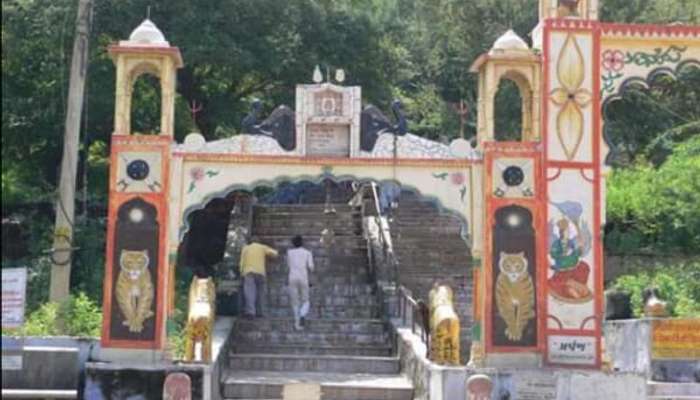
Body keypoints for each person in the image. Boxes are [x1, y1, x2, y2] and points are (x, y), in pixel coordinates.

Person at [239, 235, 278, 319]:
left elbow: (242, 262)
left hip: (248, 272)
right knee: (261, 293)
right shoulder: (262, 247)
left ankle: (251, 312)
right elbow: (274, 253)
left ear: (251, 241)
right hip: (260, 272)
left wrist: (241, 272)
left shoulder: (246, 248)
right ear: (258, 241)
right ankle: (261, 312)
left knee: (250, 293)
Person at [286, 235, 315, 330]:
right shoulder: (307, 253)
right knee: (305, 300)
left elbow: (288, 265)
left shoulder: (289, 252)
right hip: (303, 278)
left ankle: (297, 324)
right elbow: (311, 267)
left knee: (295, 302)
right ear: (302, 243)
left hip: (292, 277)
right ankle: (303, 314)